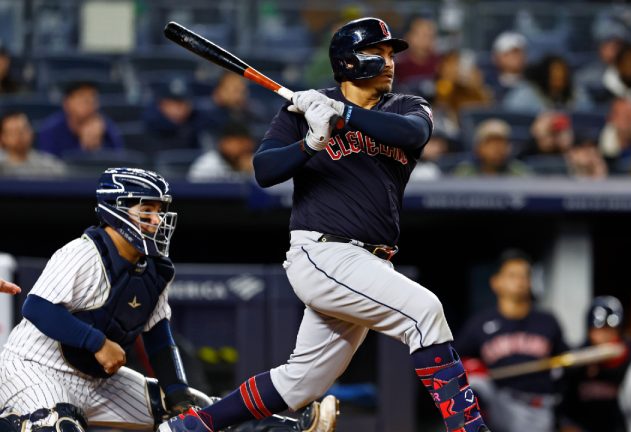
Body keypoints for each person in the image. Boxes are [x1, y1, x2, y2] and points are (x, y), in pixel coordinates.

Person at [160, 17, 490, 432]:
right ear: (349, 62)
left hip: (370, 263)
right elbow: (265, 169)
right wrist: (311, 142)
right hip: (323, 251)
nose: (389, 62)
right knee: (424, 313)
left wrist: (342, 112)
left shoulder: (405, 107)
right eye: (378, 52)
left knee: (299, 384)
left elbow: (410, 134)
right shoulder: (303, 109)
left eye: (391, 54)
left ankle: (192, 427)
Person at [0, 167, 332, 432]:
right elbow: (37, 308)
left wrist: (177, 393)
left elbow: (158, 337)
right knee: (56, 425)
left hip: (97, 380)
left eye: (159, 210)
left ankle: (287, 429)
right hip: (35, 367)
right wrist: (97, 342)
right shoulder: (83, 252)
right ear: (117, 211)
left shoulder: (154, 269)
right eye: (147, 210)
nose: (157, 220)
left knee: (195, 414)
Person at [455, 249, 568, 432]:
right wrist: (470, 368)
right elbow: (452, 361)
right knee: (475, 383)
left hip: (539, 408)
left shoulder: (547, 321)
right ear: (496, 282)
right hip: (499, 403)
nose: (520, 281)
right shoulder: (481, 323)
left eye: (525, 275)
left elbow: (566, 362)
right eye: (512, 275)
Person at [560, 296, 631, 432]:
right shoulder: (578, 357)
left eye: (610, 330)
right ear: (589, 331)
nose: (605, 336)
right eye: (599, 330)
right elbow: (564, 408)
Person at [36, 81, 124, 157]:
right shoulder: (51, 130)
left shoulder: (106, 127)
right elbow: (49, 170)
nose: (89, 103)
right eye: (83, 98)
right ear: (67, 103)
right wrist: (83, 148)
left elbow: (117, 164)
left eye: (93, 98)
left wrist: (96, 147)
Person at [503, 55, 593, 114]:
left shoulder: (577, 94)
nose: (558, 79)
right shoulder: (525, 94)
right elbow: (513, 116)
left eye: (562, 75)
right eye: (554, 76)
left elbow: (587, 117)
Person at [0, 111, 67, 177]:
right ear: (2, 137)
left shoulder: (51, 167)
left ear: (31, 132)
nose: (19, 136)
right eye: (13, 132)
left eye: (23, 130)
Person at [453, 118, 528, 177]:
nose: (497, 149)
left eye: (502, 143)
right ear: (478, 147)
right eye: (490, 143)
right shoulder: (465, 172)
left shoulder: (518, 172)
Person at [143, 78, 202, 150]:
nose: (178, 110)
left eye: (183, 103)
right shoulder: (151, 123)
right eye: (172, 104)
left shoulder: (198, 120)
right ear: (160, 104)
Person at [188, 122, 256, 182]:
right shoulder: (206, 165)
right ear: (224, 143)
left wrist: (250, 173)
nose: (244, 147)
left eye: (246, 143)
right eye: (239, 143)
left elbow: (264, 193)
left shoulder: (255, 163)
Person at [487, 32, 527, 104]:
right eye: (508, 53)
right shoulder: (486, 86)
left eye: (519, 52)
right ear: (496, 57)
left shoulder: (533, 85)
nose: (515, 57)